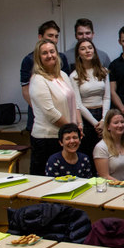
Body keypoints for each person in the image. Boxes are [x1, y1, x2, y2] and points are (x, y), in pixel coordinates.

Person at [28, 38, 80, 175]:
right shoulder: (38, 80)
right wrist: (72, 130)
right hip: (47, 139)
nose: (49, 55)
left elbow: (74, 101)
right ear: (38, 58)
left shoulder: (63, 75)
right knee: (46, 181)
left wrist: (78, 124)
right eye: (44, 53)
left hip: (65, 136)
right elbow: (51, 113)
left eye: (52, 51)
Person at [20, 21, 70, 133]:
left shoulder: (62, 58)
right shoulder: (29, 60)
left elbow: (67, 88)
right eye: (50, 35)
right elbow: (26, 91)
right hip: (40, 115)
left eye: (56, 36)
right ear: (40, 37)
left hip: (62, 114)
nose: (54, 39)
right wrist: (43, 109)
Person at [70, 38, 110, 171]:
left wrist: (103, 120)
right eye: (83, 49)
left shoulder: (104, 71)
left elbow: (107, 97)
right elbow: (78, 103)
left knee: (104, 154)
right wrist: (95, 124)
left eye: (90, 47)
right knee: (88, 154)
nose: (87, 51)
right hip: (86, 118)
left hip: (103, 115)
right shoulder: (74, 75)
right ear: (78, 54)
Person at [93, 108, 124, 183]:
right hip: (110, 187)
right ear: (108, 126)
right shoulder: (101, 147)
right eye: (116, 123)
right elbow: (105, 176)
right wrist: (123, 186)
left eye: (122, 122)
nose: (120, 125)